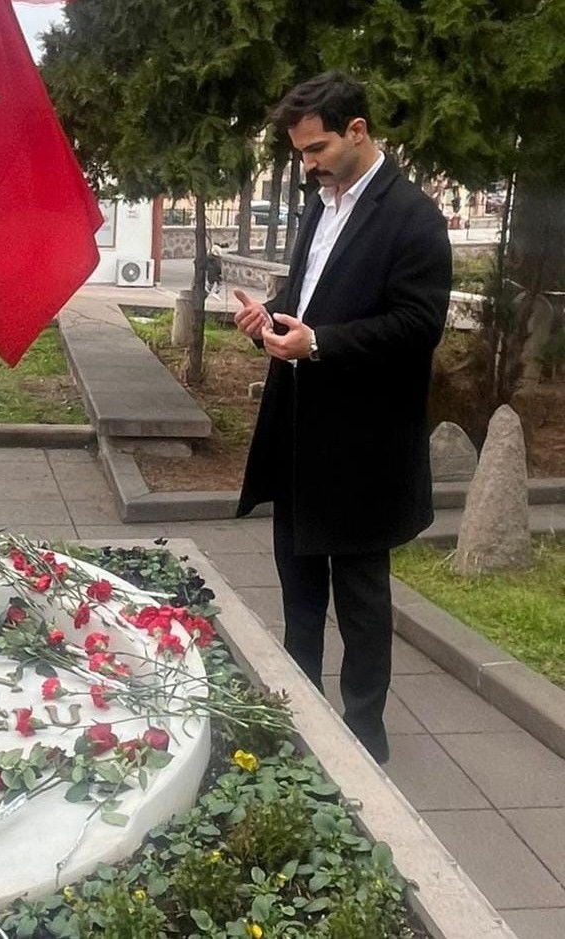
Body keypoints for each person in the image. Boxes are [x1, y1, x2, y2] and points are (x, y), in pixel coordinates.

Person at [233, 71, 451, 764]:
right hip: (299, 434)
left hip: (363, 448)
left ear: (358, 131)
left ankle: (364, 737)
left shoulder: (413, 217)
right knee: (299, 592)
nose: (309, 164)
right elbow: (307, 295)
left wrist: (320, 343)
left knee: (360, 601)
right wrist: (268, 317)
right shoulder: (318, 206)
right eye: (300, 153)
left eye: (318, 148)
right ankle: (301, 722)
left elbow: (419, 325)